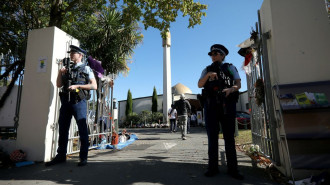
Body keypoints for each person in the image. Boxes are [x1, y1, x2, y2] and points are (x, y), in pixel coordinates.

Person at [45, 45, 97, 167]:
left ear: (80, 55)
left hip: (79, 102)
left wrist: (78, 86)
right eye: (71, 52)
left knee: (82, 129)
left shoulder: (86, 69)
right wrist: (60, 73)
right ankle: (61, 156)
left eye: (73, 52)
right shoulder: (67, 68)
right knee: (62, 129)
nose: (71, 54)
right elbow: (58, 84)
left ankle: (83, 157)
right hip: (66, 101)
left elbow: (94, 86)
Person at [198, 44, 244, 180]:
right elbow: (200, 84)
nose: (213, 56)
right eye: (211, 54)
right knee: (212, 138)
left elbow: (238, 84)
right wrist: (208, 75)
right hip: (211, 106)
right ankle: (212, 167)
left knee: (229, 137)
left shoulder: (230, 67)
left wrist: (232, 89)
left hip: (227, 104)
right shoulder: (206, 69)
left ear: (223, 55)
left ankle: (233, 169)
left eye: (216, 53)